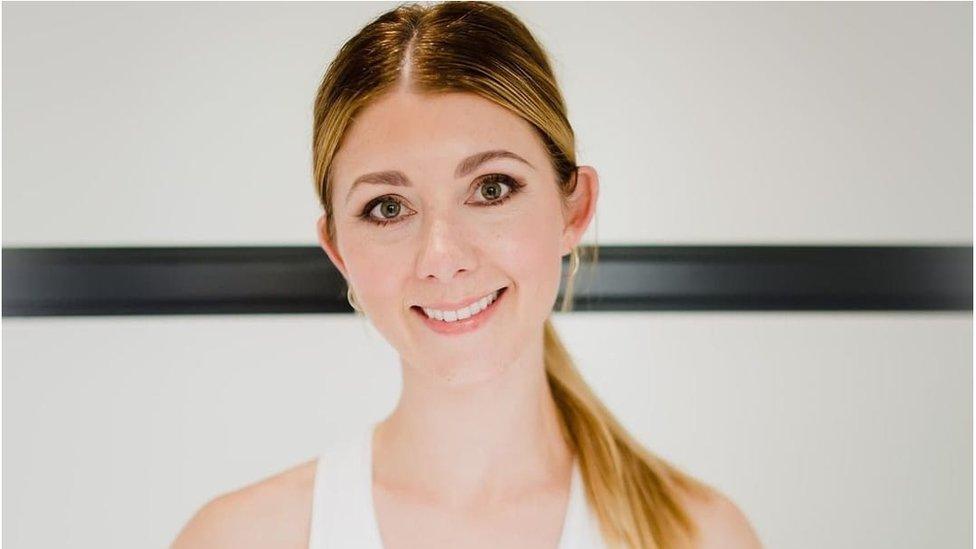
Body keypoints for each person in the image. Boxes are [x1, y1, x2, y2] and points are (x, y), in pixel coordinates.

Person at [172, 2, 763, 547]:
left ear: (574, 208)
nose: (441, 256)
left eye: (491, 189)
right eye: (388, 207)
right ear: (338, 250)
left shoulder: (701, 537)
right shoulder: (238, 539)